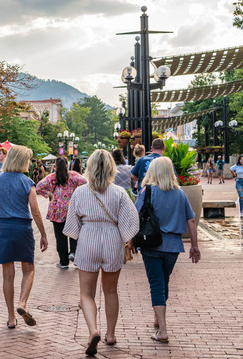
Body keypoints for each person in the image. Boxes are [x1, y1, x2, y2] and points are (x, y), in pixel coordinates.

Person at [63, 150, 139, 355]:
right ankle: (111, 334)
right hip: (112, 240)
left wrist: (82, 235)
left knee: (86, 293)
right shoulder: (119, 193)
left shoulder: (80, 192)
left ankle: (93, 330)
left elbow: (71, 225)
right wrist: (125, 238)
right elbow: (130, 223)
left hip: (88, 238)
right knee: (111, 291)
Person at [135, 157, 200, 344]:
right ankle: (158, 317)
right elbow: (191, 221)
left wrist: (129, 240)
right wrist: (194, 246)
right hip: (173, 247)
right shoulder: (180, 194)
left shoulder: (147, 192)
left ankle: (162, 330)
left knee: (156, 284)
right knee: (164, 281)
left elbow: (134, 216)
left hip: (151, 244)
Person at [0, 145, 48, 330]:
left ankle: (11, 318)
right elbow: (35, 211)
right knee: (28, 269)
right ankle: (22, 303)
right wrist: (43, 234)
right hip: (23, 228)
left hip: (4, 227)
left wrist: (1, 209)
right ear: (23, 161)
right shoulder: (27, 182)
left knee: (8, 274)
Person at [36, 157, 87, 269]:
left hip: (57, 209)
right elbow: (85, 182)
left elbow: (38, 186)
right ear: (67, 164)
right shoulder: (73, 175)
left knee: (60, 236)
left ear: (56, 165)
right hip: (72, 208)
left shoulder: (51, 177)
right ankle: (74, 254)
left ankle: (63, 261)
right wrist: (78, 192)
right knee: (74, 231)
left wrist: (49, 194)